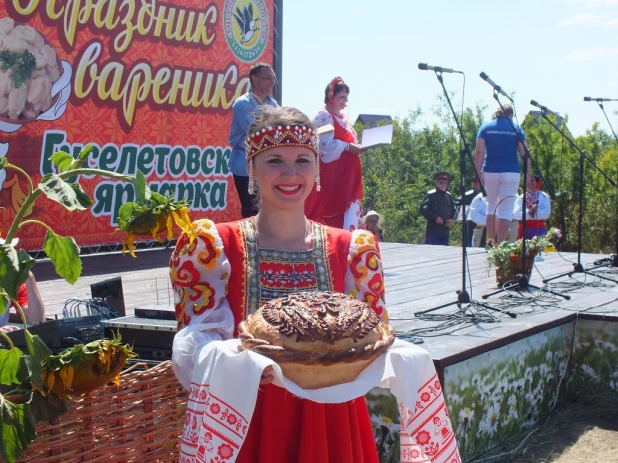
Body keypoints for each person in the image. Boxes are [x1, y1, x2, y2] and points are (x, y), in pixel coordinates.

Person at [170, 106, 459, 463]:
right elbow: (193, 345)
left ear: (317, 169)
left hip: (334, 416)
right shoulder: (214, 246)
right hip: (246, 417)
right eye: (275, 160)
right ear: (252, 169)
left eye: (303, 160)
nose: (290, 173)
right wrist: (240, 364)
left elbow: (371, 334)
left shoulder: (351, 248)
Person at [304, 76, 365, 231]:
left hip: (346, 176)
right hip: (331, 178)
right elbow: (323, 146)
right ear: (331, 96)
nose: (345, 101)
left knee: (346, 214)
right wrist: (347, 146)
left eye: (346, 98)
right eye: (341, 97)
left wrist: (356, 146)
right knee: (330, 214)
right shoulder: (324, 116)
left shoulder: (342, 118)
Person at [228, 62, 279, 218]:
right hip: (246, 165)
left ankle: (267, 240)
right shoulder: (242, 103)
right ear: (254, 80)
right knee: (251, 209)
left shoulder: (273, 104)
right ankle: (250, 242)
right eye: (267, 78)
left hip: (267, 165)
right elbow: (257, 132)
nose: (272, 82)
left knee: (269, 208)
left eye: (273, 78)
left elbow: (278, 130)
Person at [475, 104, 529, 245]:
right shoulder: (516, 129)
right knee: (506, 209)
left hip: (490, 170)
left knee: (491, 205)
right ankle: (499, 244)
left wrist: (477, 171)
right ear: (511, 114)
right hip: (511, 172)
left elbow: (479, 151)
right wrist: (528, 173)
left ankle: (491, 241)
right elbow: (524, 153)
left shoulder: (486, 127)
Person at [419, 171, 456, 245]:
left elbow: (454, 210)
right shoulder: (431, 195)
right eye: (441, 182)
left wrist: (452, 219)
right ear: (437, 183)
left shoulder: (448, 196)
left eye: (445, 183)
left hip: (445, 232)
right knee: (432, 254)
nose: (443, 185)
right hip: (433, 232)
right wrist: (435, 218)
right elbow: (423, 209)